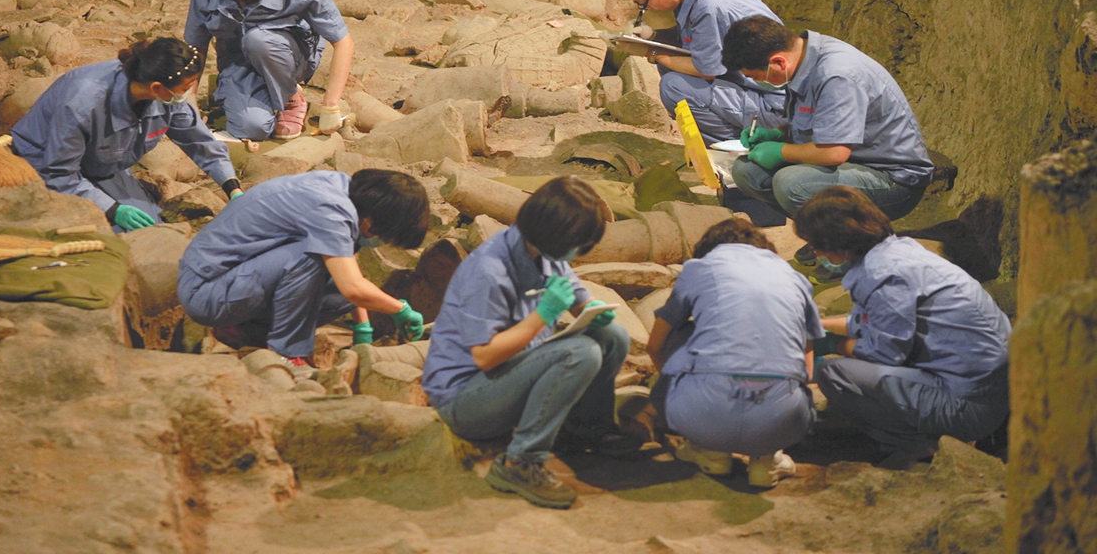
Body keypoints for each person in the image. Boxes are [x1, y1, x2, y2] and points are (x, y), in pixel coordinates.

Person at [421, 177, 638, 509]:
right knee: (579, 353)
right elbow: (485, 356)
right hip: (465, 398)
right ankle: (519, 462)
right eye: (577, 245)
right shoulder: (489, 272)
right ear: (553, 233)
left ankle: (584, 430)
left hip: (512, 375)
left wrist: (594, 309)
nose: (577, 254)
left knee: (613, 336)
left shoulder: (545, 252)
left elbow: (580, 300)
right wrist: (544, 312)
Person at [795, 187, 1011, 467]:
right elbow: (870, 321)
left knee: (834, 373)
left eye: (815, 244)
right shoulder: (896, 251)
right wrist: (818, 325)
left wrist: (830, 344)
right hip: (991, 388)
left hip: (971, 406)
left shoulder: (884, 276)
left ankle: (915, 446)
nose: (814, 251)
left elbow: (883, 354)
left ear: (840, 245)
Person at [178, 169, 430, 371]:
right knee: (310, 260)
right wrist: (400, 309)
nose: (381, 242)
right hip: (206, 290)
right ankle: (288, 354)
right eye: (385, 237)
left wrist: (363, 331)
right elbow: (353, 288)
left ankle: (242, 330)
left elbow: (353, 279)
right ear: (372, 220)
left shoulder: (345, 192)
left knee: (346, 292)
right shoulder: (331, 210)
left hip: (237, 279)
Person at [645, 218, 822, 488]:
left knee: (682, 333)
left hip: (703, 413)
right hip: (782, 422)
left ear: (708, 249)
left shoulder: (699, 269)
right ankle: (767, 458)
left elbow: (655, 345)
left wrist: (670, 389)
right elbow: (807, 364)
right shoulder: (795, 279)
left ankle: (710, 449)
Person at [722, 16, 934, 232]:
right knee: (746, 171)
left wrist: (782, 151)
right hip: (852, 161)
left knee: (792, 184)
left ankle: (851, 243)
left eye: (757, 77)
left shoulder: (836, 75)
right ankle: (824, 232)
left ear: (778, 62)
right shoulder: (803, 58)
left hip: (893, 180)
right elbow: (818, 125)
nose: (759, 82)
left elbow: (834, 152)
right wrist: (776, 134)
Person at [10, 37, 241, 233]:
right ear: (156, 87)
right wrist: (111, 209)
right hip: (45, 163)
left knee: (151, 228)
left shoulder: (168, 95)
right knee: (102, 233)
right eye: (186, 87)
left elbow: (200, 142)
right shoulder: (82, 102)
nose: (189, 93)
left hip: (105, 165)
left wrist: (233, 188)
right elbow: (59, 173)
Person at [185, 0, 354, 141]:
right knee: (252, 129)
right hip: (238, 62)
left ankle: (291, 98)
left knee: (258, 40)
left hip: (290, 57)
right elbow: (195, 46)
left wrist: (330, 106)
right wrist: (188, 97)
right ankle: (233, 89)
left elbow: (343, 42)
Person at [614, 0, 787, 144]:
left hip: (776, 107)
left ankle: (741, 148)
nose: (646, 10)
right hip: (774, 93)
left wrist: (651, 51)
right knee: (672, 63)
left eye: (642, 4)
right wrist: (653, 36)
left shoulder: (709, 6)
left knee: (675, 87)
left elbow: (707, 70)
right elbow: (694, 39)